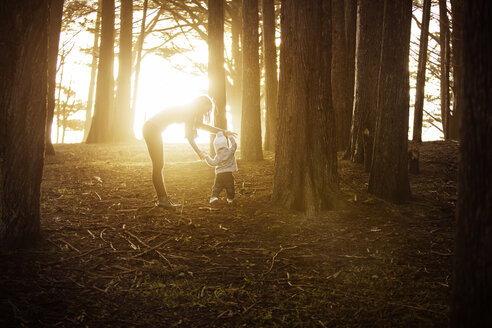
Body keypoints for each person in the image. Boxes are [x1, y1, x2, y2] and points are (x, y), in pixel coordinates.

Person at [142, 95, 236, 209]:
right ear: (200, 106)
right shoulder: (188, 111)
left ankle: (163, 199)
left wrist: (224, 132)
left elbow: (202, 126)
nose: (206, 113)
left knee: (159, 165)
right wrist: (199, 152)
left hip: (152, 129)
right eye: (205, 110)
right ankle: (162, 200)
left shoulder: (190, 112)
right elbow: (189, 136)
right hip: (152, 128)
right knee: (158, 165)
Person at [204, 131, 237, 204]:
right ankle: (230, 199)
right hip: (228, 173)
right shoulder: (230, 151)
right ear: (225, 144)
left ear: (216, 147)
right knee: (230, 186)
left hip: (219, 174)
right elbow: (234, 145)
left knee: (217, 186)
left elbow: (212, 163)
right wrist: (230, 137)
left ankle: (214, 197)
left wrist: (206, 157)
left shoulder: (218, 156)